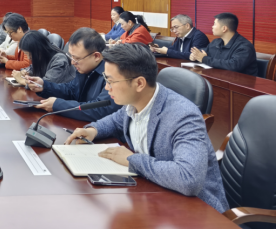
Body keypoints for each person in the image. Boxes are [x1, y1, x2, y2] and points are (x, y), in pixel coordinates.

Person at [66, 44, 229, 213]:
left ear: (139, 83)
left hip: (197, 212)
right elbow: (116, 121)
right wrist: (93, 130)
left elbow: (189, 179)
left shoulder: (184, 115)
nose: (107, 88)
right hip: (155, 197)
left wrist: (132, 160)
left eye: (111, 81)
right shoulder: (135, 102)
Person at [26, 27, 121, 121]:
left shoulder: (113, 75)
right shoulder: (85, 68)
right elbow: (71, 91)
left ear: (96, 56)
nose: (72, 62)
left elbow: (100, 110)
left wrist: (58, 105)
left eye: (76, 58)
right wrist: (44, 86)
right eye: (71, 56)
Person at [190, 13, 258, 76]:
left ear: (224, 28)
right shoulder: (215, 42)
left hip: (240, 83)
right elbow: (204, 52)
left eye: (214, 24)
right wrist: (195, 56)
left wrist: (204, 59)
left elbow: (233, 65)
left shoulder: (244, 46)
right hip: (218, 79)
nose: (212, 26)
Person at [11, 30, 76, 86]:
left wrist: (23, 81)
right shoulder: (43, 55)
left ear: (38, 50)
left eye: (30, 55)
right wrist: (26, 72)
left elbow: (46, 85)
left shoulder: (59, 59)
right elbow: (33, 68)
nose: (29, 58)